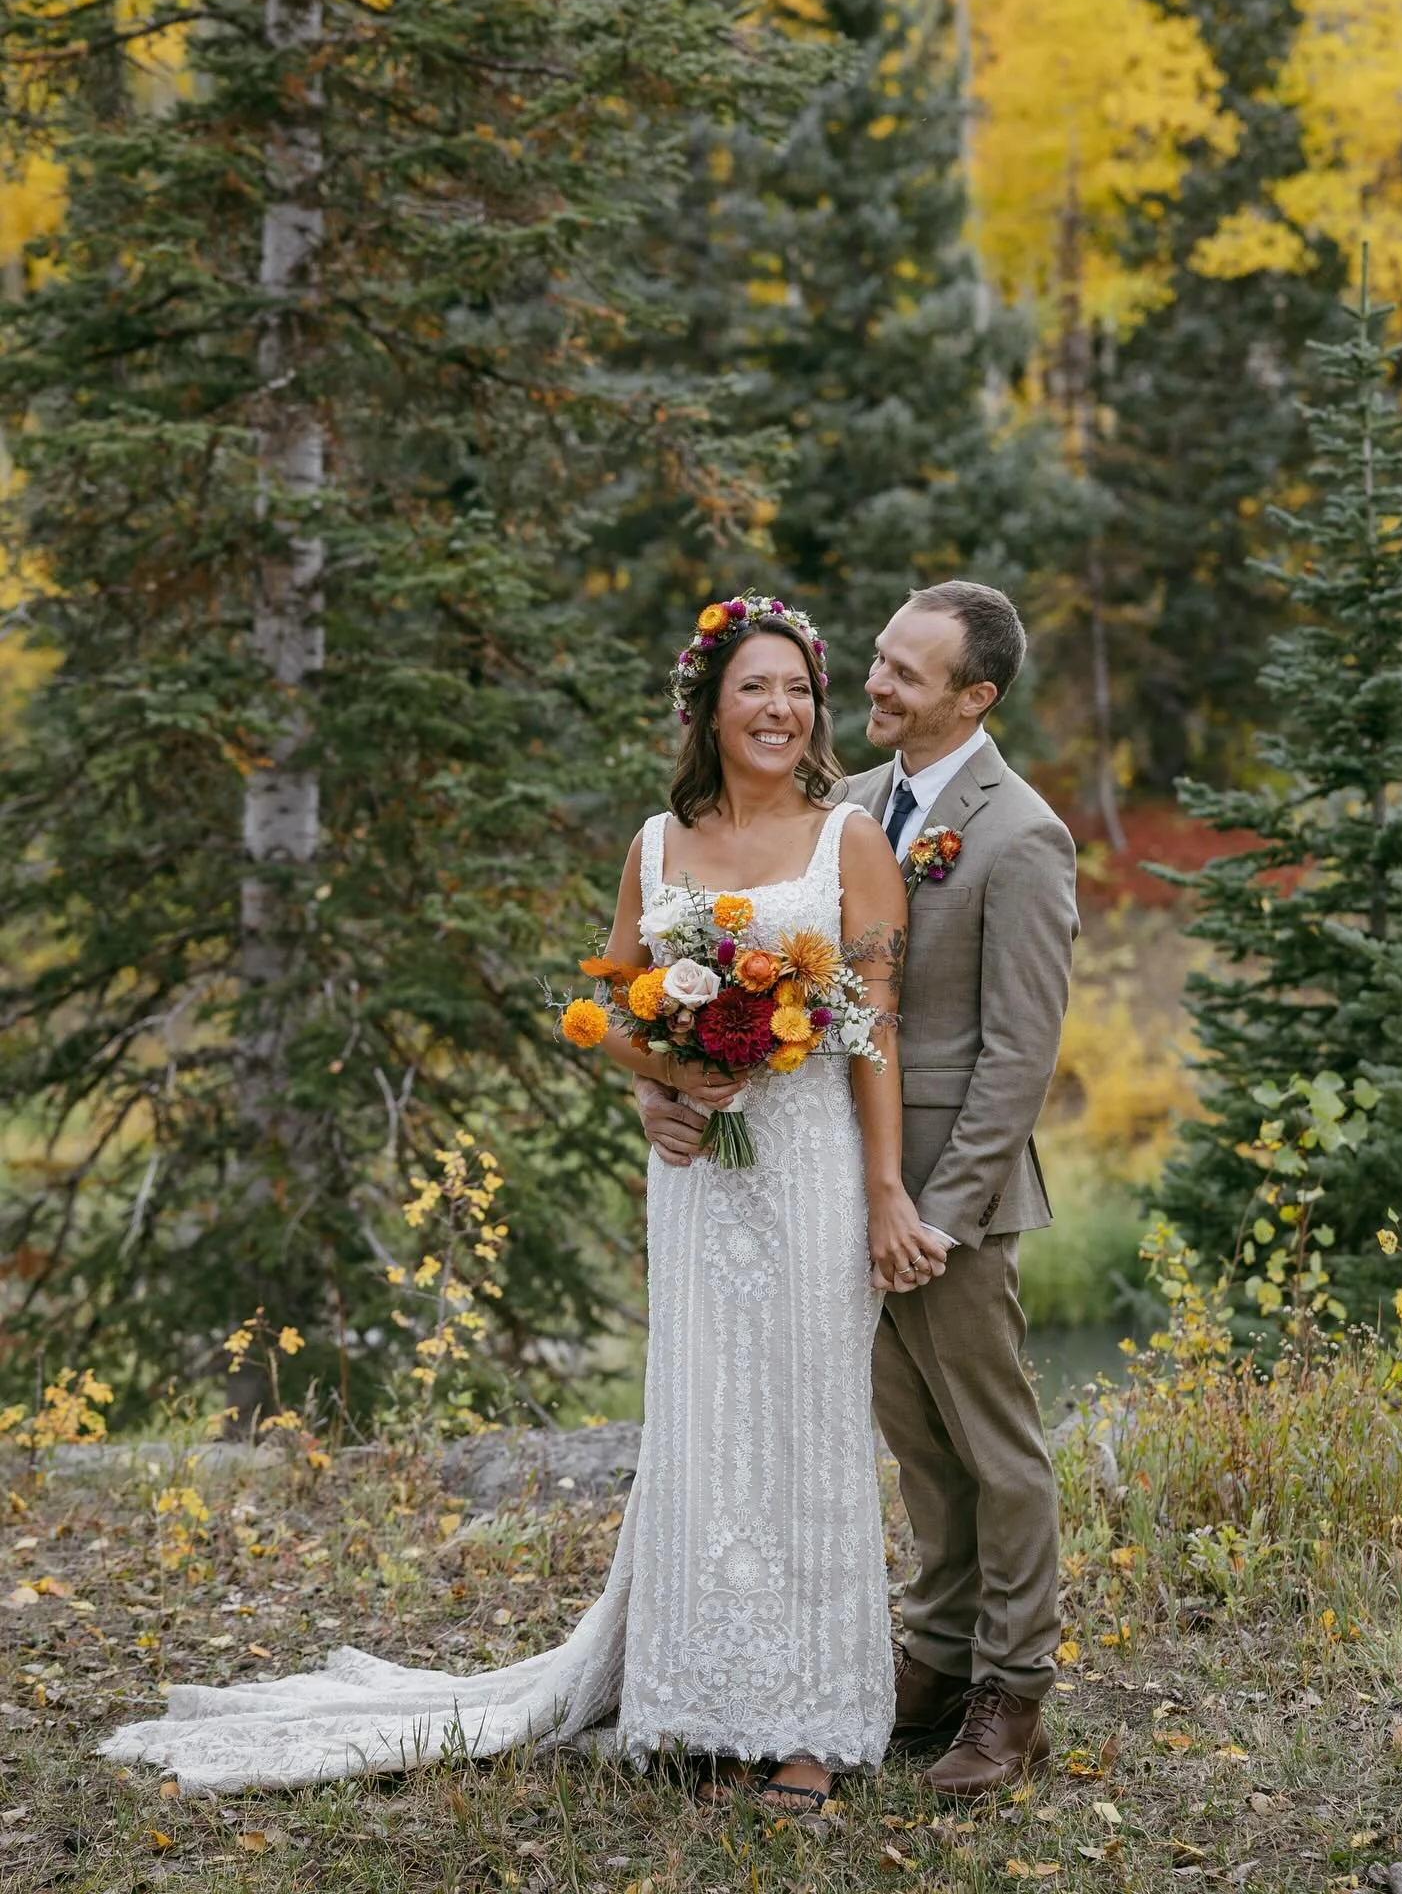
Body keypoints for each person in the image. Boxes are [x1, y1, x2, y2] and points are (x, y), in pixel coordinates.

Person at [98, 597, 946, 1802]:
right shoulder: (658, 844)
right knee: (704, 1429)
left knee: (806, 1430)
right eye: (754, 688)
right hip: (701, 1180)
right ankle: (708, 1703)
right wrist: (663, 1082)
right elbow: (608, 1004)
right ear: (711, 706)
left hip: (807, 1180)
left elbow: (877, 1035)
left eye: (799, 689)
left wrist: (882, 1192)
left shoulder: (848, 840)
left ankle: (805, 1723)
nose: (781, 710)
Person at [639, 580, 1078, 1799]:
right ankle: (934, 1661)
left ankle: (1013, 1691)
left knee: (995, 1449)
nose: (871, 685)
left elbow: (1018, 1054)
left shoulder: (1022, 832)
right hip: (827, 1187)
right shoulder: (863, 805)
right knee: (914, 1444)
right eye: (876, 662)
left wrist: (934, 1210)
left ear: (974, 697)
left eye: (904, 673)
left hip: (944, 1202)